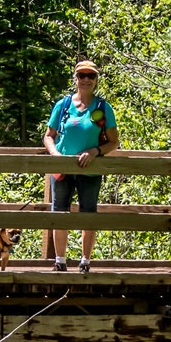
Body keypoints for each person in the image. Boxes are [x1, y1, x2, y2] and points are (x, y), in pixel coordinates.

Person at [44, 60, 120, 272]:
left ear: (96, 80)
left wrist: (95, 151)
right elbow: (49, 136)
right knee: (59, 212)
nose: (86, 79)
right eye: (82, 75)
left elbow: (114, 141)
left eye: (91, 76)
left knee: (88, 212)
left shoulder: (103, 108)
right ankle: (60, 261)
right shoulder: (63, 105)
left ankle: (85, 262)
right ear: (75, 78)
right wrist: (56, 155)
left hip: (90, 167)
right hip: (63, 167)